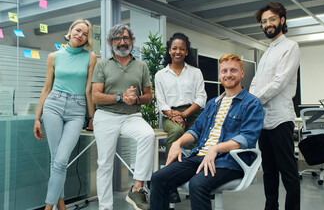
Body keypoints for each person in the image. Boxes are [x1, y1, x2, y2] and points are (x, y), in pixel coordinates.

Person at [150, 54, 264, 210]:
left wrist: (216, 149)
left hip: (229, 162)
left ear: (242, 74)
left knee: (198, 185)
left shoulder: (252, 103)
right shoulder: (212, 104)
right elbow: (196, 130)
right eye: (224, 71)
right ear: (219, 75)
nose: (228, 74)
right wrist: (178, 142)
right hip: (200, 156)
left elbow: (247, 138)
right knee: (158, 178)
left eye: (233, 70)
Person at [33, 19, 97, 210]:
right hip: (53, 105)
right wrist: (37, 117)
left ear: (87, 38)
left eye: (85, 33)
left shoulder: (91, 57)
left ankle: (49, 207)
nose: (80, 35)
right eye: (78, 30)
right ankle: (60, 205)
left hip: (77, 111)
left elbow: (88, 90)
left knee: (60, 160)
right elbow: (46, 88)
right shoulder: (54, 56)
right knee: (56, 160)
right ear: (70, 30)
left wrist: (91, 117)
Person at [91, 24, 155, 210]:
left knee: (148, 135)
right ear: (111, 43)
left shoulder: (141, 65)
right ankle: (105, 207)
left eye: (125, 38)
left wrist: (135, 99)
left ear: (132, 40)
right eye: (117, 39)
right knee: (104, 163)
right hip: (106, 115)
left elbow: (148, 96)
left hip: (131, 115)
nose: (122, 42)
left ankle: (137, 188)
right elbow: (95, 96)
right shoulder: (103, 64)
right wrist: (120, 97)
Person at [249, 2, 301, 210]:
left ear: (282, 20)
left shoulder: (291, 47)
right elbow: (255, 82)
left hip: (281, 119)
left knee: (288, 173)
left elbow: (279, 82)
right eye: (264, 21)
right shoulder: (266, 52)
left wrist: (254, 101)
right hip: (264, 121)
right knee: (269, 171)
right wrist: (248, 101)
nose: (268, 24)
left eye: (272, 19)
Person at [155, 32, 207, 203]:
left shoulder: (195, 72)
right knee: (177, 131)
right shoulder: (160, 74)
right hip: (170, 114)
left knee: (204, 138)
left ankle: (201, 181)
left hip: (193, 112)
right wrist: (173, 115)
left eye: (182, 49)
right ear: (169, 51)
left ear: (186, 52)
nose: (178, 51)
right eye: (174, 48)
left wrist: (184, 114)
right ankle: (170, 184)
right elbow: (161, 102)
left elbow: (201, 98)